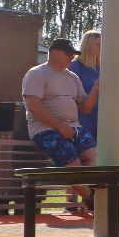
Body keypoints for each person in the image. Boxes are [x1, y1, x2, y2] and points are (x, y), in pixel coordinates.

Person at [21, 38, 97, 212]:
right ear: (54, 52)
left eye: (73, 54)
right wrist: (59, 126)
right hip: (45, 129)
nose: (72, 57)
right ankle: (90, 198)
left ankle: (93, 195)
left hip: (74, 127)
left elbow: (85, 107)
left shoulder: (72, 77)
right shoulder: (37, 73)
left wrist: (95, 89)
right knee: (72, 161)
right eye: (68, 53)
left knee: (95, 156)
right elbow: (33, 106)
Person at [68, 30, 102, 143]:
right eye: (98, 45)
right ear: (88, 46)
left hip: (100, 124)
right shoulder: (75, 66)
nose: (102, 48)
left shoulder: (101, 69)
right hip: (80, 123)